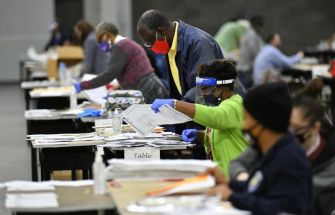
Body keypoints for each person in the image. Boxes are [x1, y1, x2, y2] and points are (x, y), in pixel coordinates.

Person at [229, 78, 335, 214]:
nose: (288, 132)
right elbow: (237, 164)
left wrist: (237, 192)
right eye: (287, 126)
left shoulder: (297, 158)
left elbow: (286, 199)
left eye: (296, 128)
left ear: (315, 128)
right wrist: (244, 180)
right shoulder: (276, 144)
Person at [206, 82, 313, 214]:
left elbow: (282, 209)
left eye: (245, 118)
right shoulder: (268, 151)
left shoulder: (290, 159)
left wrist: (231, 196)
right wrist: (228, 183)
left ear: (262, 121)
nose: (242, 126)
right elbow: (255, 187)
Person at [150, 60, 248, 175]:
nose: (204, 93)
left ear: (221, 87)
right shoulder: (223, 105)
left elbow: (215, 117)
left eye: (207, 88)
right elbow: (222, 135)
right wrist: (200, 136)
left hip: (236, 176)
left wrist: (176, 104)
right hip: (224, 175)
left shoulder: (234, 105)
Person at [137, 10, 223, 102]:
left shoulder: (199, 43)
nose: (150, 48)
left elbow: (207, 85)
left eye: (149, 42)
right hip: (195, 109)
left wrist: (179, 105)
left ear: (160, 32)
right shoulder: (170, 46)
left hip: (214, 109)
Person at [73, 21, 169, 104]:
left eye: (100, 40)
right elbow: (128, 70)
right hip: (148, 87)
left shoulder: (120, 46)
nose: (101, 44)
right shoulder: (123, 44)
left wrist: (83, 85)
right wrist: (118, 88)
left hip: (148, 89)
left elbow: (108, 75)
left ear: (107, 35)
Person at [236, 15, 264, 88]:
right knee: (244, 90)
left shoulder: (251, 33)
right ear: (254, 24)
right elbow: (253, 51)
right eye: (259, 25)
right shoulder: (251, 34)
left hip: (245, 68)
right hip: (245, 69)